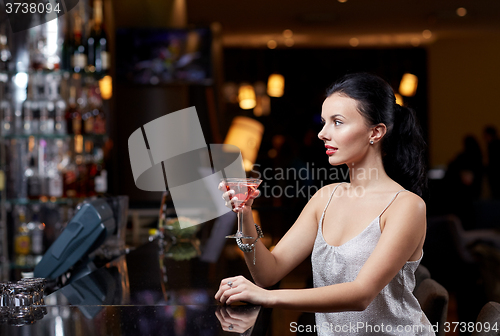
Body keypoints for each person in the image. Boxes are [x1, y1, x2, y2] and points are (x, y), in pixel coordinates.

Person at [215, 73, 432, 335]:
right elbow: (268, 272)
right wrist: (245, 215)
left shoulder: (406, 206)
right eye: (324, 122)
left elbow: (360, 294)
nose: (322, 133)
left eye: (337, 122)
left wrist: (266, 297)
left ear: (376, 132)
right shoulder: (325, 198)